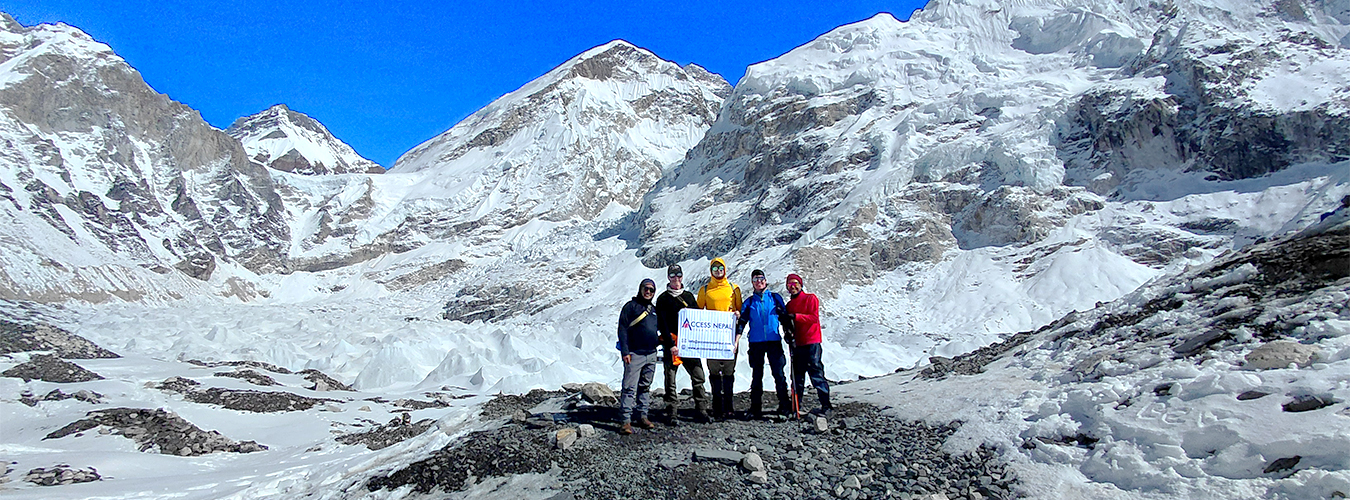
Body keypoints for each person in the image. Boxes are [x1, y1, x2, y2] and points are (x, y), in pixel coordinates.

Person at [654, 264, 711, 424]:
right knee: (670, 379)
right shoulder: (663, 299)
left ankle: (701, 410)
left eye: (678, 274)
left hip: (689, 345)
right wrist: (671, 344)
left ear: (682, 276)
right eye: (673, 275)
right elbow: (662, 324)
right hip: (672, 345)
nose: (676, 278)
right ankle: (671, 412)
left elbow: (697, 319)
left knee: (698, 376)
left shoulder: (689, 297)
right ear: (668, 277)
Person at [736, 269, 791, 417]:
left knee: (779, 374)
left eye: (761, 279)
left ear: (765, 280)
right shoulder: (749, 302)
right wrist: (737, 337)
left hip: (773, 341)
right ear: (752, 283)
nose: (759, 282)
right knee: (757, 375)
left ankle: (785, 405)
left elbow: (784, 317)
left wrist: (789, 332)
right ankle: (755, 408)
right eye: (755, 280)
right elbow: (742, 321)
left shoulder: (775, 298)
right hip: (756, 343)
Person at [696, 257, 743, 419]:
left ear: (725, 269)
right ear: (711, 271)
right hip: (712, 338)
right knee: (714, 371)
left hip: (729, 337)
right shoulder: (705, 289)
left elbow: (740, 310)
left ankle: (729, 406)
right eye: (714, 269)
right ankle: (717, 406)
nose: (718, 271)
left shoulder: (733, 288)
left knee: (729, 372)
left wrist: (737, 313)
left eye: (720, 268)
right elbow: (697, 311)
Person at [616, 278, 661, 434]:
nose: (648, 292)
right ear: (640, 289)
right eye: (646, 289)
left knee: (645, 387)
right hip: (634, 354)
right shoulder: (630, 307)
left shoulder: (654, 310)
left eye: (651, 290)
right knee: (629, 387)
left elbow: (660, 329)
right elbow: (622, 329)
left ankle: (642, 416)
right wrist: (625, 351)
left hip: (651, 354)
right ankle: (625, 421)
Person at [783, 273, 831, 415]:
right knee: (797, 377)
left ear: (801, 284)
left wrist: (796, 317)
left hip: (811, 342)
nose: (792, 287)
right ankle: (796, 406)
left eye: (795, 284)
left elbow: (813, 318)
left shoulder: (811, 298)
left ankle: (826, 405)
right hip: (797, 344)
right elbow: (789, 326)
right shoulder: (789, 305)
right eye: (790, 285)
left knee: (816, 374)